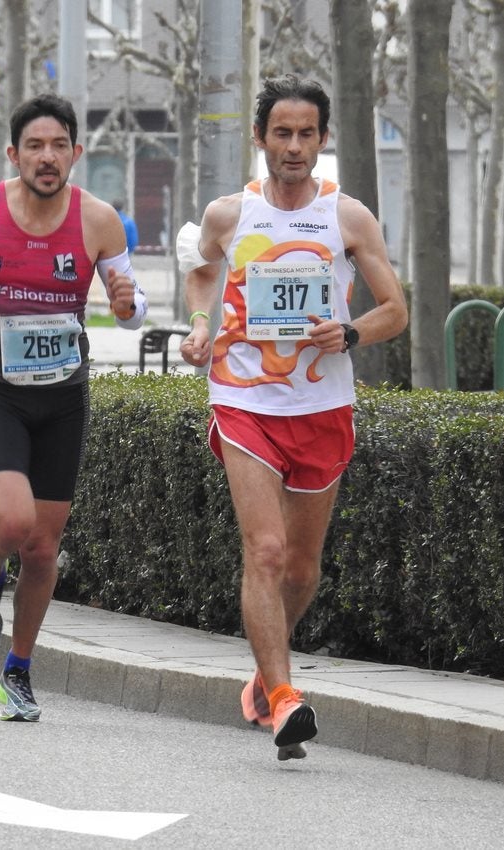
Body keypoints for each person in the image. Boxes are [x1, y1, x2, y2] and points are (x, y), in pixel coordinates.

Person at [176, 74, 408, 759]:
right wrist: (197, 324)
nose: (295, 146)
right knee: (266, 551)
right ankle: (284, 701)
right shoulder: (230, 213)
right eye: (282, 133)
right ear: (260, 138)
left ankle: (262, 674)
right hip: (244, 398)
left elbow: (395, 309)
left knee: (301, 568)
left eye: (307, 134)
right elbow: (197, 268)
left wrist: (351, 333)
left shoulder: (347, 216)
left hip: (321, 404)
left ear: (323, 139)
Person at [0, 93, 148, 721]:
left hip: (64, 396)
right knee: (15, 524)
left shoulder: (99, 220)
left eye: (59, 147)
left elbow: (131, 312)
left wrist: (129, 304)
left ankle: (17, 672)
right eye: (35, 147)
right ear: (14, 153)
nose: (47, 159)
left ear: (76, 153)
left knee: (44, 550)